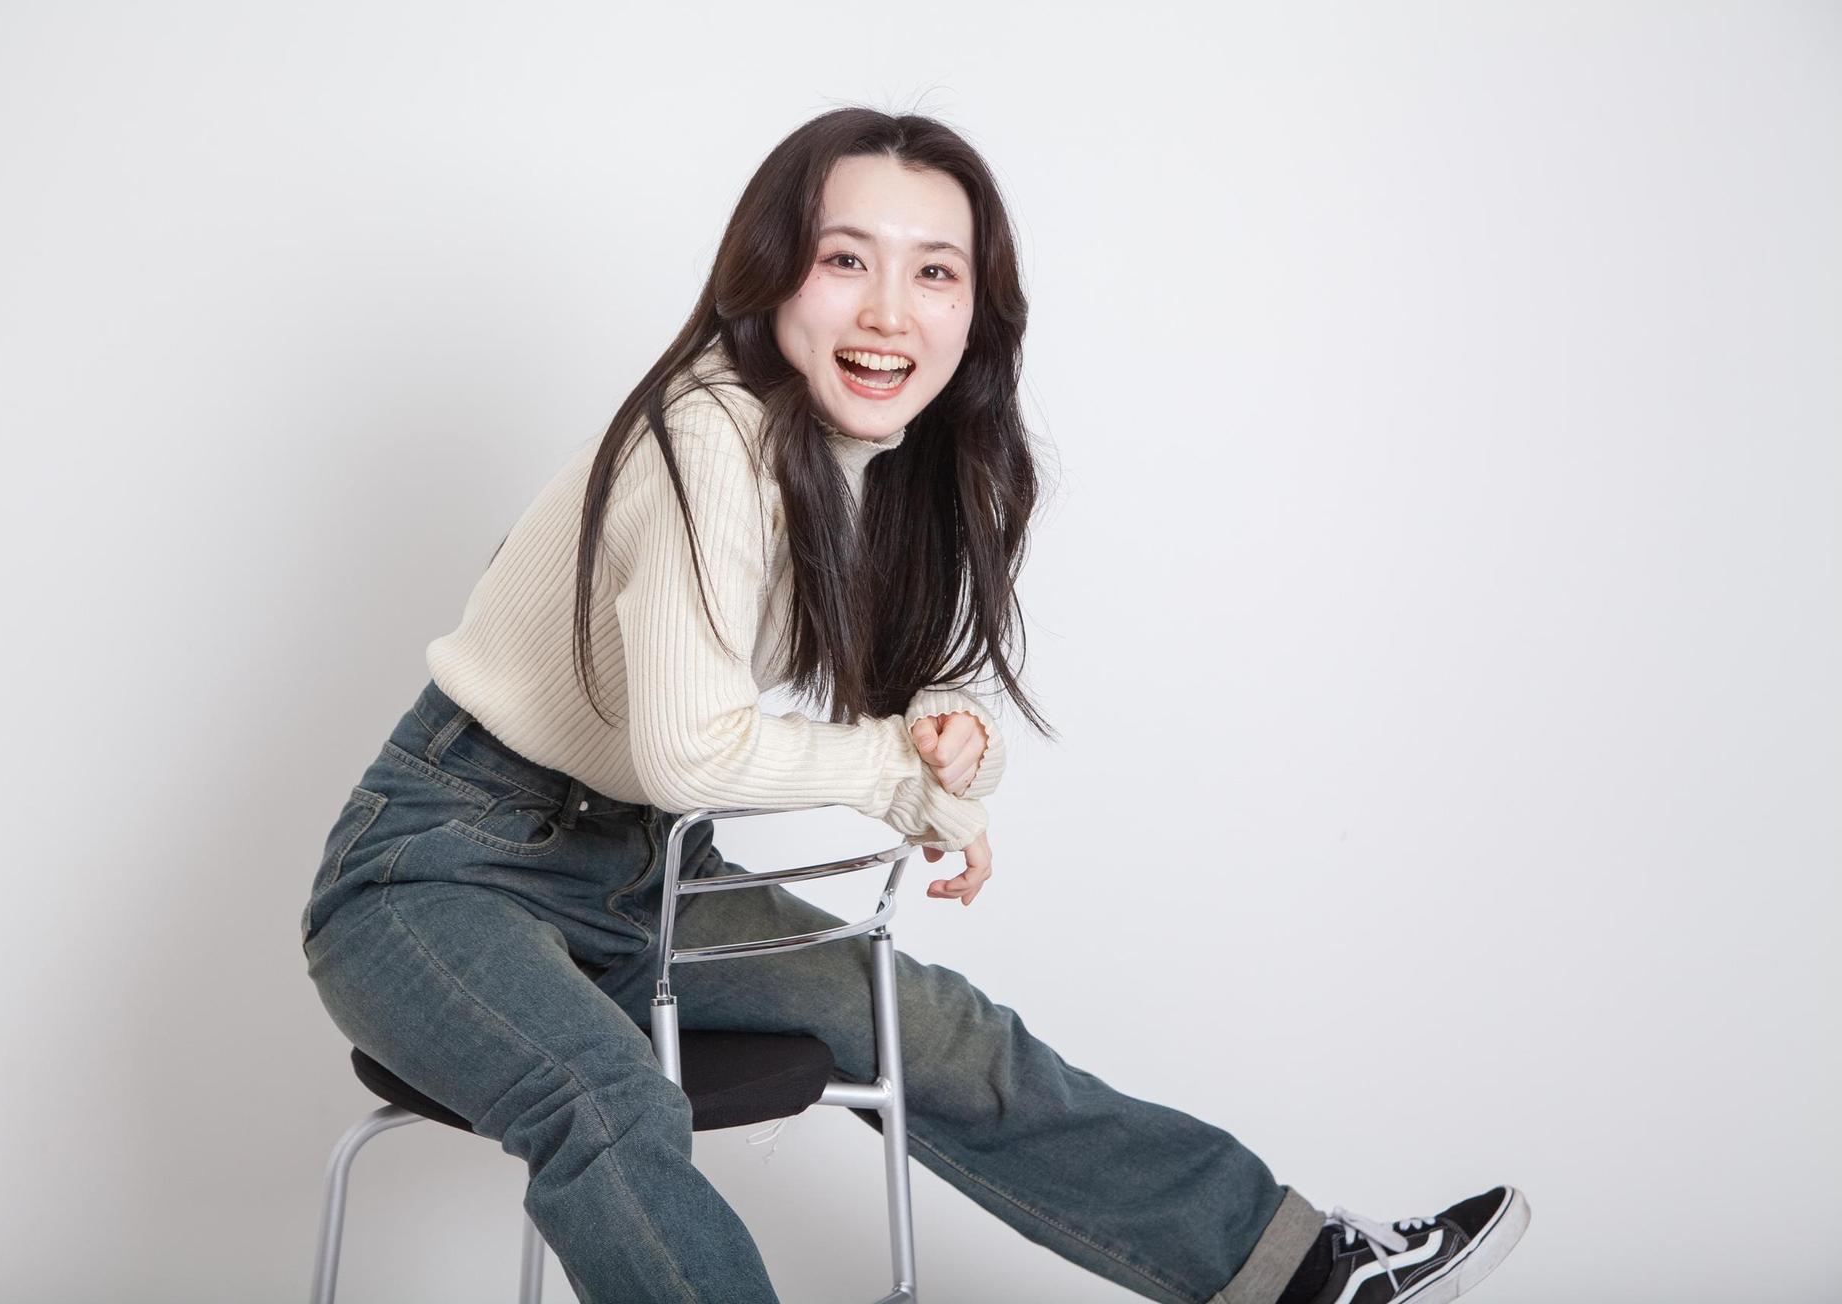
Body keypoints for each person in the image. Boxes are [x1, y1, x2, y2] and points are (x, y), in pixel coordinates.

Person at [298, 106, 1530, 1304]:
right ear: (768, 274)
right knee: (605, 1101)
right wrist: (899, 774)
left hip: (646, 874)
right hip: (437, 868)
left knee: (942, 1032)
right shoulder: (706, 439)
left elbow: (908, 701)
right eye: (846, 260)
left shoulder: (865, 457)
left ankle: (1302, 1269)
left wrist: (950, 758)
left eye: (934, 272)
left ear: (974, 310)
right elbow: (690, 752)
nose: (890, 311)